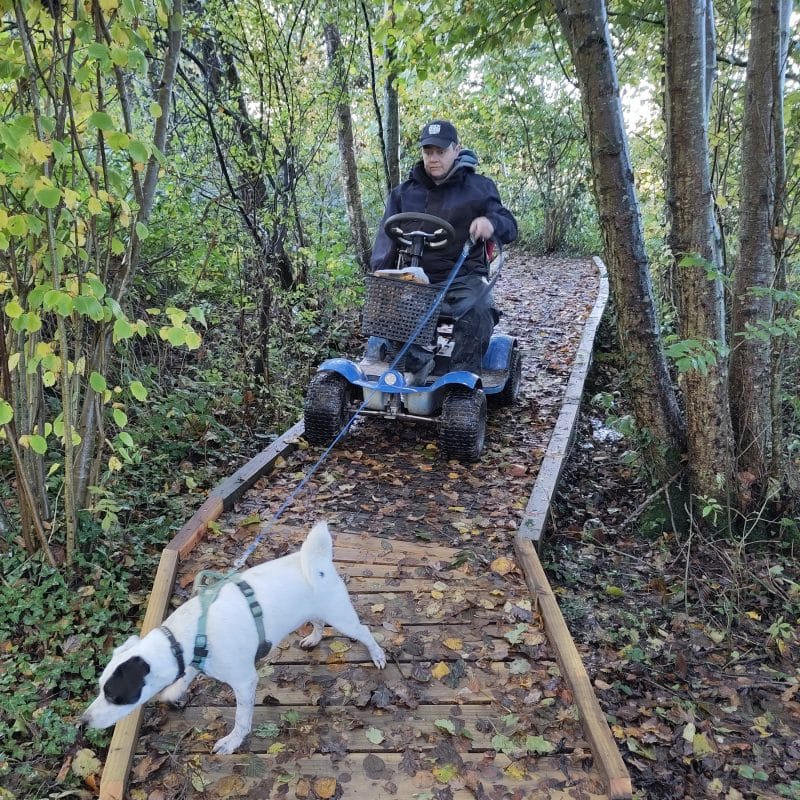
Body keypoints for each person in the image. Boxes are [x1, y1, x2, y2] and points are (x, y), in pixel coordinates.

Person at [370, 119, 517, 382]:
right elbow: (385, 239)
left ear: (456, 149)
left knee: (479, 309)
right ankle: (417, 365)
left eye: (440, 151)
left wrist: (490, 223)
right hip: (416, 277)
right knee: (387, 305)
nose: (433, 158)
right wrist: (381, 273)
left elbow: (509, 226)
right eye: (428, 152)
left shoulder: (479, 188)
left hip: (464, 277)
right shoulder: (404, 193)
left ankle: (461, 381)